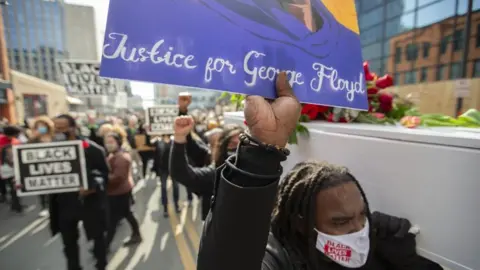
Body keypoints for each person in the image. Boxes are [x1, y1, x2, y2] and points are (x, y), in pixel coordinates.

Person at [196, 72, 442, 270]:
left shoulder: (378, 251)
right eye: (341, 221)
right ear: (302, 222)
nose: (358, 231)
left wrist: (408, 262)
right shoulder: (280, 258)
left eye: (362, 216)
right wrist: (260, 155)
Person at [49, 114, 109, 270]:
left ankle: (101, 264)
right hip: (64, 204)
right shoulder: (49, 150)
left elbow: (103, 174)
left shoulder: (92, 149)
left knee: (97, 237)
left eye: (62, 127)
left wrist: (92, 185)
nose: (58, 131)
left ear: (73, 128)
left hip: (89, 201)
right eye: (56, 127)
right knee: (69, 243)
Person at [170, 118, 242, 221]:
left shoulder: (255, 171)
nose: (238, 150)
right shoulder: (215, 174)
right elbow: (181, 173)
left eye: (242, 144)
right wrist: (179, 136)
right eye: (232, 144)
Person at [104, 132, 142, 248]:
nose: (108, 145)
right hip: (119, 191)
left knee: (113, 220)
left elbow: (117, 178)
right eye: (107, 142)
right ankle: (136, 235)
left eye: (111, 142)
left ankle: (105, 246)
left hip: (119, 192)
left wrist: (102, 177)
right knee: (127, 214)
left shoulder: (121, 158)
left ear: (118, 142)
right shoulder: (113, 155)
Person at [29, 115, 55, 217]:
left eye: (43, 125)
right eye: (38, 126)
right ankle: (44, 206)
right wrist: (33, 138)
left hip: (53, 166)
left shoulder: (54, 138)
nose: (41, 128)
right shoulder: (33, 140)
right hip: (39, 168)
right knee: (42, 189)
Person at [153, 135, 180, 217]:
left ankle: (176, 205)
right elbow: (156, 157)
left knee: (176, 187)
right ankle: (165, 208)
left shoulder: (174, 142)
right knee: (163, 188)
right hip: (163, 169)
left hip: (173, 168)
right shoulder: (158, 143)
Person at [0, 125, 22, 212]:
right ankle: (13, 202)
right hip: (4, 166)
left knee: (14, 185)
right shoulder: (2, 140)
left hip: (14, 166)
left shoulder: (16, 141)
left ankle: (15, 204)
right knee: (8, 184)